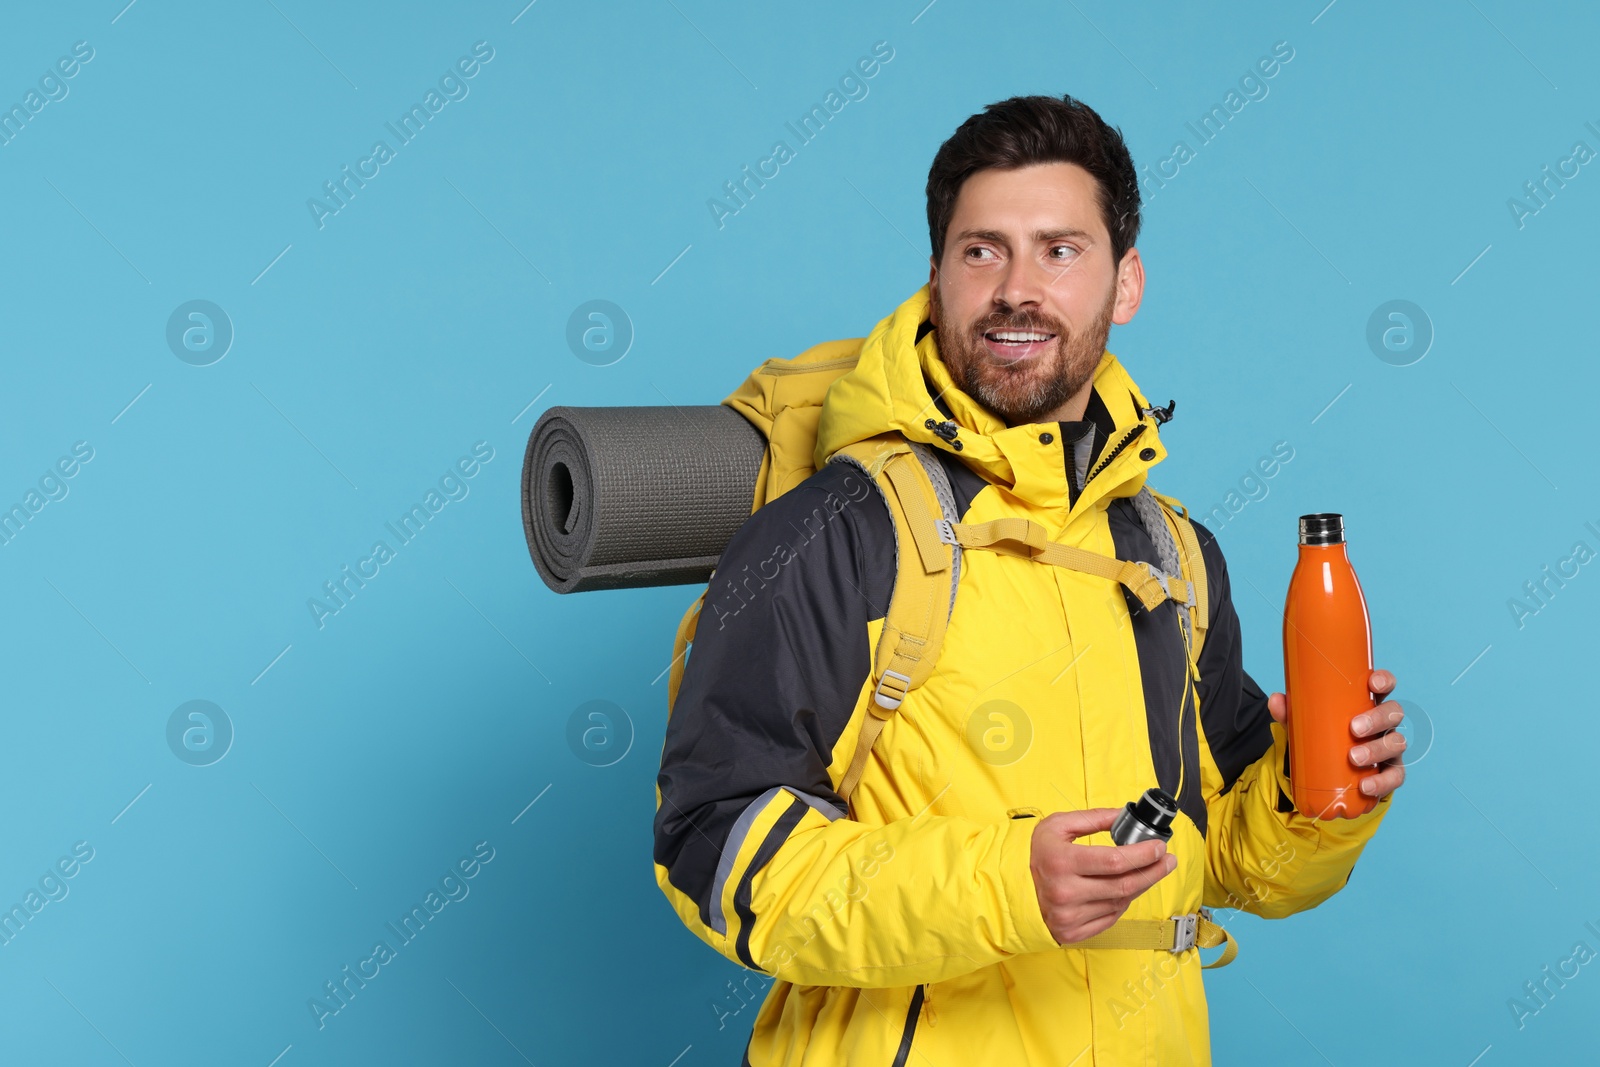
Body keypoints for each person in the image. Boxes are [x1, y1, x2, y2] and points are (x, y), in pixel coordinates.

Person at [652, 94, 1405, 1066]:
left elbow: (1219, 859)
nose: (1015, 288)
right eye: (981, 250)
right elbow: (716, 848)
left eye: (1059, 250)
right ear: (934, 277)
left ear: (1123, 281)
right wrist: (1009, 884)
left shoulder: (1169, 552)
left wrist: (1315, 793)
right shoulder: (835, 531)